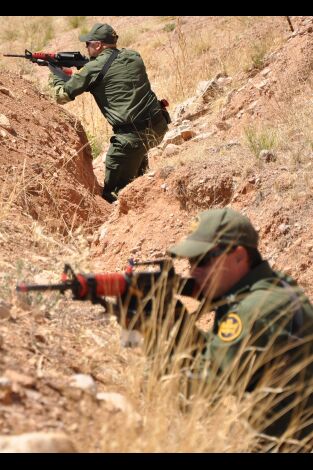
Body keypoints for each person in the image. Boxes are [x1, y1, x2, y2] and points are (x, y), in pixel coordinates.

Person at [126, 207, 313, 445]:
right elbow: (217, 354)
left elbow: (195, 397)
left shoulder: (253, 309)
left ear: (238, 255)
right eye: (191, 261)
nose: (193, 271)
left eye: (202, 260)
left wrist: (156, 336)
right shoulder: (272, 288)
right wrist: (179, 324)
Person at [50, 23, 169, 203]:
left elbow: (61, 96)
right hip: (158, 126)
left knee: (114, 198)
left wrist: (56, 75)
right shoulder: (133, 56)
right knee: (138, 181)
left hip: (129, 140)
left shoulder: (92, 68)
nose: (86, 48)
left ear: (98, 45)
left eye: (88, 44)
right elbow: (112, 70)